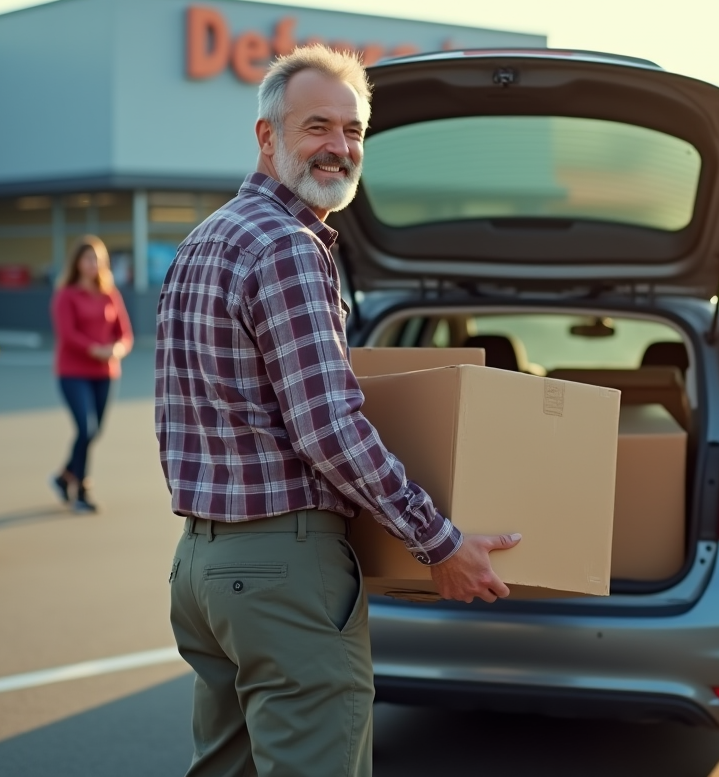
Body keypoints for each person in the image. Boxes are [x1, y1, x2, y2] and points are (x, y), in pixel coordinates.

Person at [156, 45, 521, 777]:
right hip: (284, 572)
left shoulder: (205, 238)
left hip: (202, 568)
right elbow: (327, 426)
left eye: (353, 130)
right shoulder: (288, 246)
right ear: (268, 136)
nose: (341, 147)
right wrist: (439, 542)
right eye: (318, 126)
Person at [50, 235, 133, 512]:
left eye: (98, 259)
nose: (93, 264)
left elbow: (124, 333)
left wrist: (118, 349)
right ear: (77, 262)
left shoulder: (110, 293)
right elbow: (67, 334)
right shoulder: (66, 295)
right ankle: (82, 489)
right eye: (88, 258)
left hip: (106, 372)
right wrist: (95, 349)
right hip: (73, 371)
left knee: (95, 431)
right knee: (86, 429)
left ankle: (64, 476)